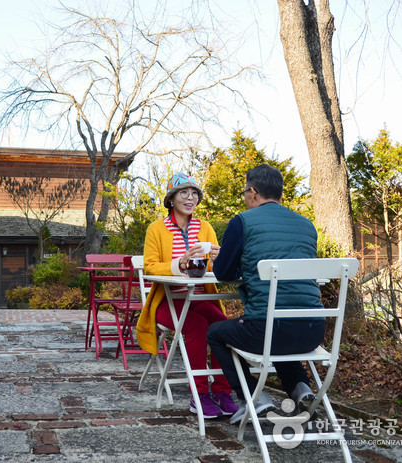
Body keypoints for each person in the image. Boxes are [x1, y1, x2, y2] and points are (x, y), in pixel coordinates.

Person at [207, 164, 323, 424]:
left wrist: (225, 259)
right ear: (280, 193)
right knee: (278, 326)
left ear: (253, 192)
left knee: (216, 332)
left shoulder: (242, 222)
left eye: (245, 192)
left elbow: (223, 274)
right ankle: (301, 388)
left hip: (266, 330)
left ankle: (254, 397)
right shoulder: (307, 225)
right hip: (313, 331)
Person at [136, 173, 238, 418]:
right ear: (171, 198)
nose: (190, 198)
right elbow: (150, 266)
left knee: (223, 326)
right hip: (168, 302)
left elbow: (215, 269)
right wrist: (178, 265)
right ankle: (199, 394)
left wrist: (218, 258)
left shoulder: (205, 227)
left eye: (194, 194)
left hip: (200, 298)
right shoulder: (157, 229)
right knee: (196, 327)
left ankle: (223, 391)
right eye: (184, 193)